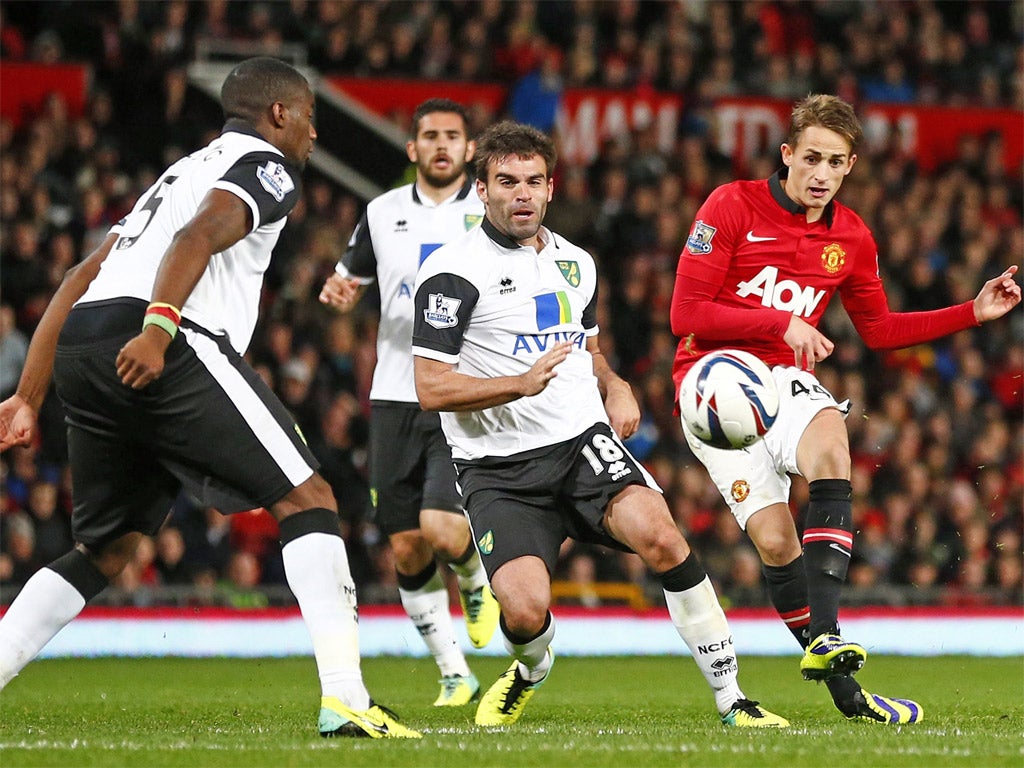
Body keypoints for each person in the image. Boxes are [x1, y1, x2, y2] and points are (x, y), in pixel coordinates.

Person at [0, 57, 420, 740]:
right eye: (310, 117)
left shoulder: (173, 177)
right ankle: (346, 698)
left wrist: (26, 397)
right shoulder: (266, 167)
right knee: (308, 498)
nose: (315, 134)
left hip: (84, 342)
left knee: (104, 549)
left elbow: (81, 274)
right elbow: (202, 236)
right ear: (279, 114)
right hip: (163, 337)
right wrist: (160, 329)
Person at [411, 120, 788, 729]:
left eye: (534, 180)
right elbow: (429, 387)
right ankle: (531, 668)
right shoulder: (452, 274)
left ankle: (733, 698)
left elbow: (585, 347)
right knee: (526, 610)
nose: (522, 194)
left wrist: (613, 384)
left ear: (552, 188)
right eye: (506, 181)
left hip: (581, 444)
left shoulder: (576, 264)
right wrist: (518, 383)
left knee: (663, 536)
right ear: (481, 189)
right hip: (497, 468)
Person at [670, 93, 1021, 724]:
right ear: (787, 155)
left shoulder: (852, 235)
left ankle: (827, 636)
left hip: (785, 379)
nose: (820, 174)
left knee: (834, 447)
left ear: (850, 165)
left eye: (834, 162)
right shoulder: (729, 205)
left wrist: (971, 311)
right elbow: (684, 315)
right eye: (810, 158)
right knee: (777, 545)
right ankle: (850, 699)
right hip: (711, 382)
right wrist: (781, 320)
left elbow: (879, 329)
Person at [318, 98, 499, 707]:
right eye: (430, 135)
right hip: (394, 395)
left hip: (459, 392)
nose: (442, 144)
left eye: (453, 135)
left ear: (470, 150)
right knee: (405, 545)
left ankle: (474, 579)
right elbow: (353, 275)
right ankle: (454, 672)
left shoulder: (492, 211)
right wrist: (341, 289)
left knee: (445, 530)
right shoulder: (380, 212)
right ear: (412, 149)